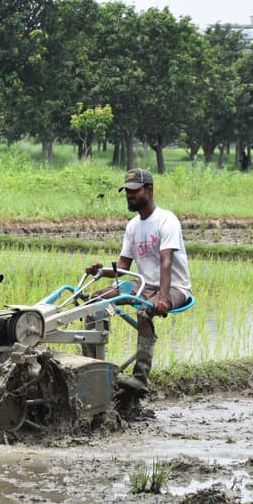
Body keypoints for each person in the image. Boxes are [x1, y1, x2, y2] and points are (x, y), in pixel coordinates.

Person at [85, 167, 192, 394]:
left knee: (144, 311)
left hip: (174, 286)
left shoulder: (166, 220)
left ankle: (140, 378)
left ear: (149, 190)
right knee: (94, 302)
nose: (130, 195)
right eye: (127, 191)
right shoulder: (133, 226)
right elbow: (123, 267)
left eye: (135, 191)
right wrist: (101, 270)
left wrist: (162, 298)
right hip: (143, 284)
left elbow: (166, 263)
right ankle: (91, 367)